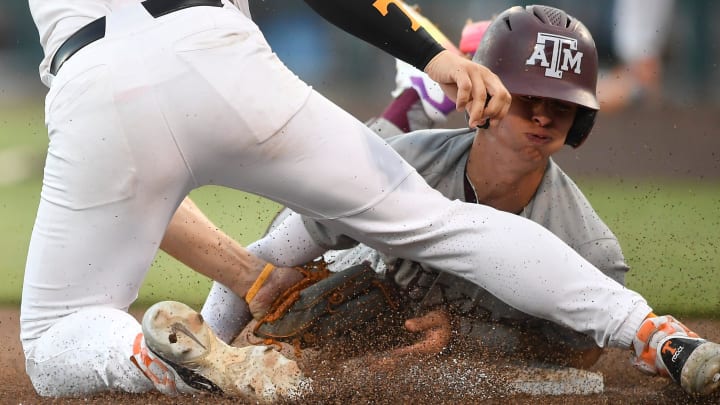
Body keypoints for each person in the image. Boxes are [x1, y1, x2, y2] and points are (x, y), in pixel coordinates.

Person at [198, 4, 720, 397]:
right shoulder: (409, 161)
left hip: (444, 317)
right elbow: (266, 253)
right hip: (379, 216)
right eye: (527, 97)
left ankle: (415, 102)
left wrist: (470, 339)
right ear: (487, 94)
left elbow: (581, 352)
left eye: (560, 105)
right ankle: (415, 102)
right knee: (330, 210)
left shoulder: (590, 250)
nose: (542, 116)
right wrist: (205, 358)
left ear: (580, 117)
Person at [22, 0, 515, 401]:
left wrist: (253, 277)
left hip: (96, 72)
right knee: (401, 220)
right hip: (225, 52)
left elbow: (139, 184)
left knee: (55, 336)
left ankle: (152, 358)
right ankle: (413, 107)